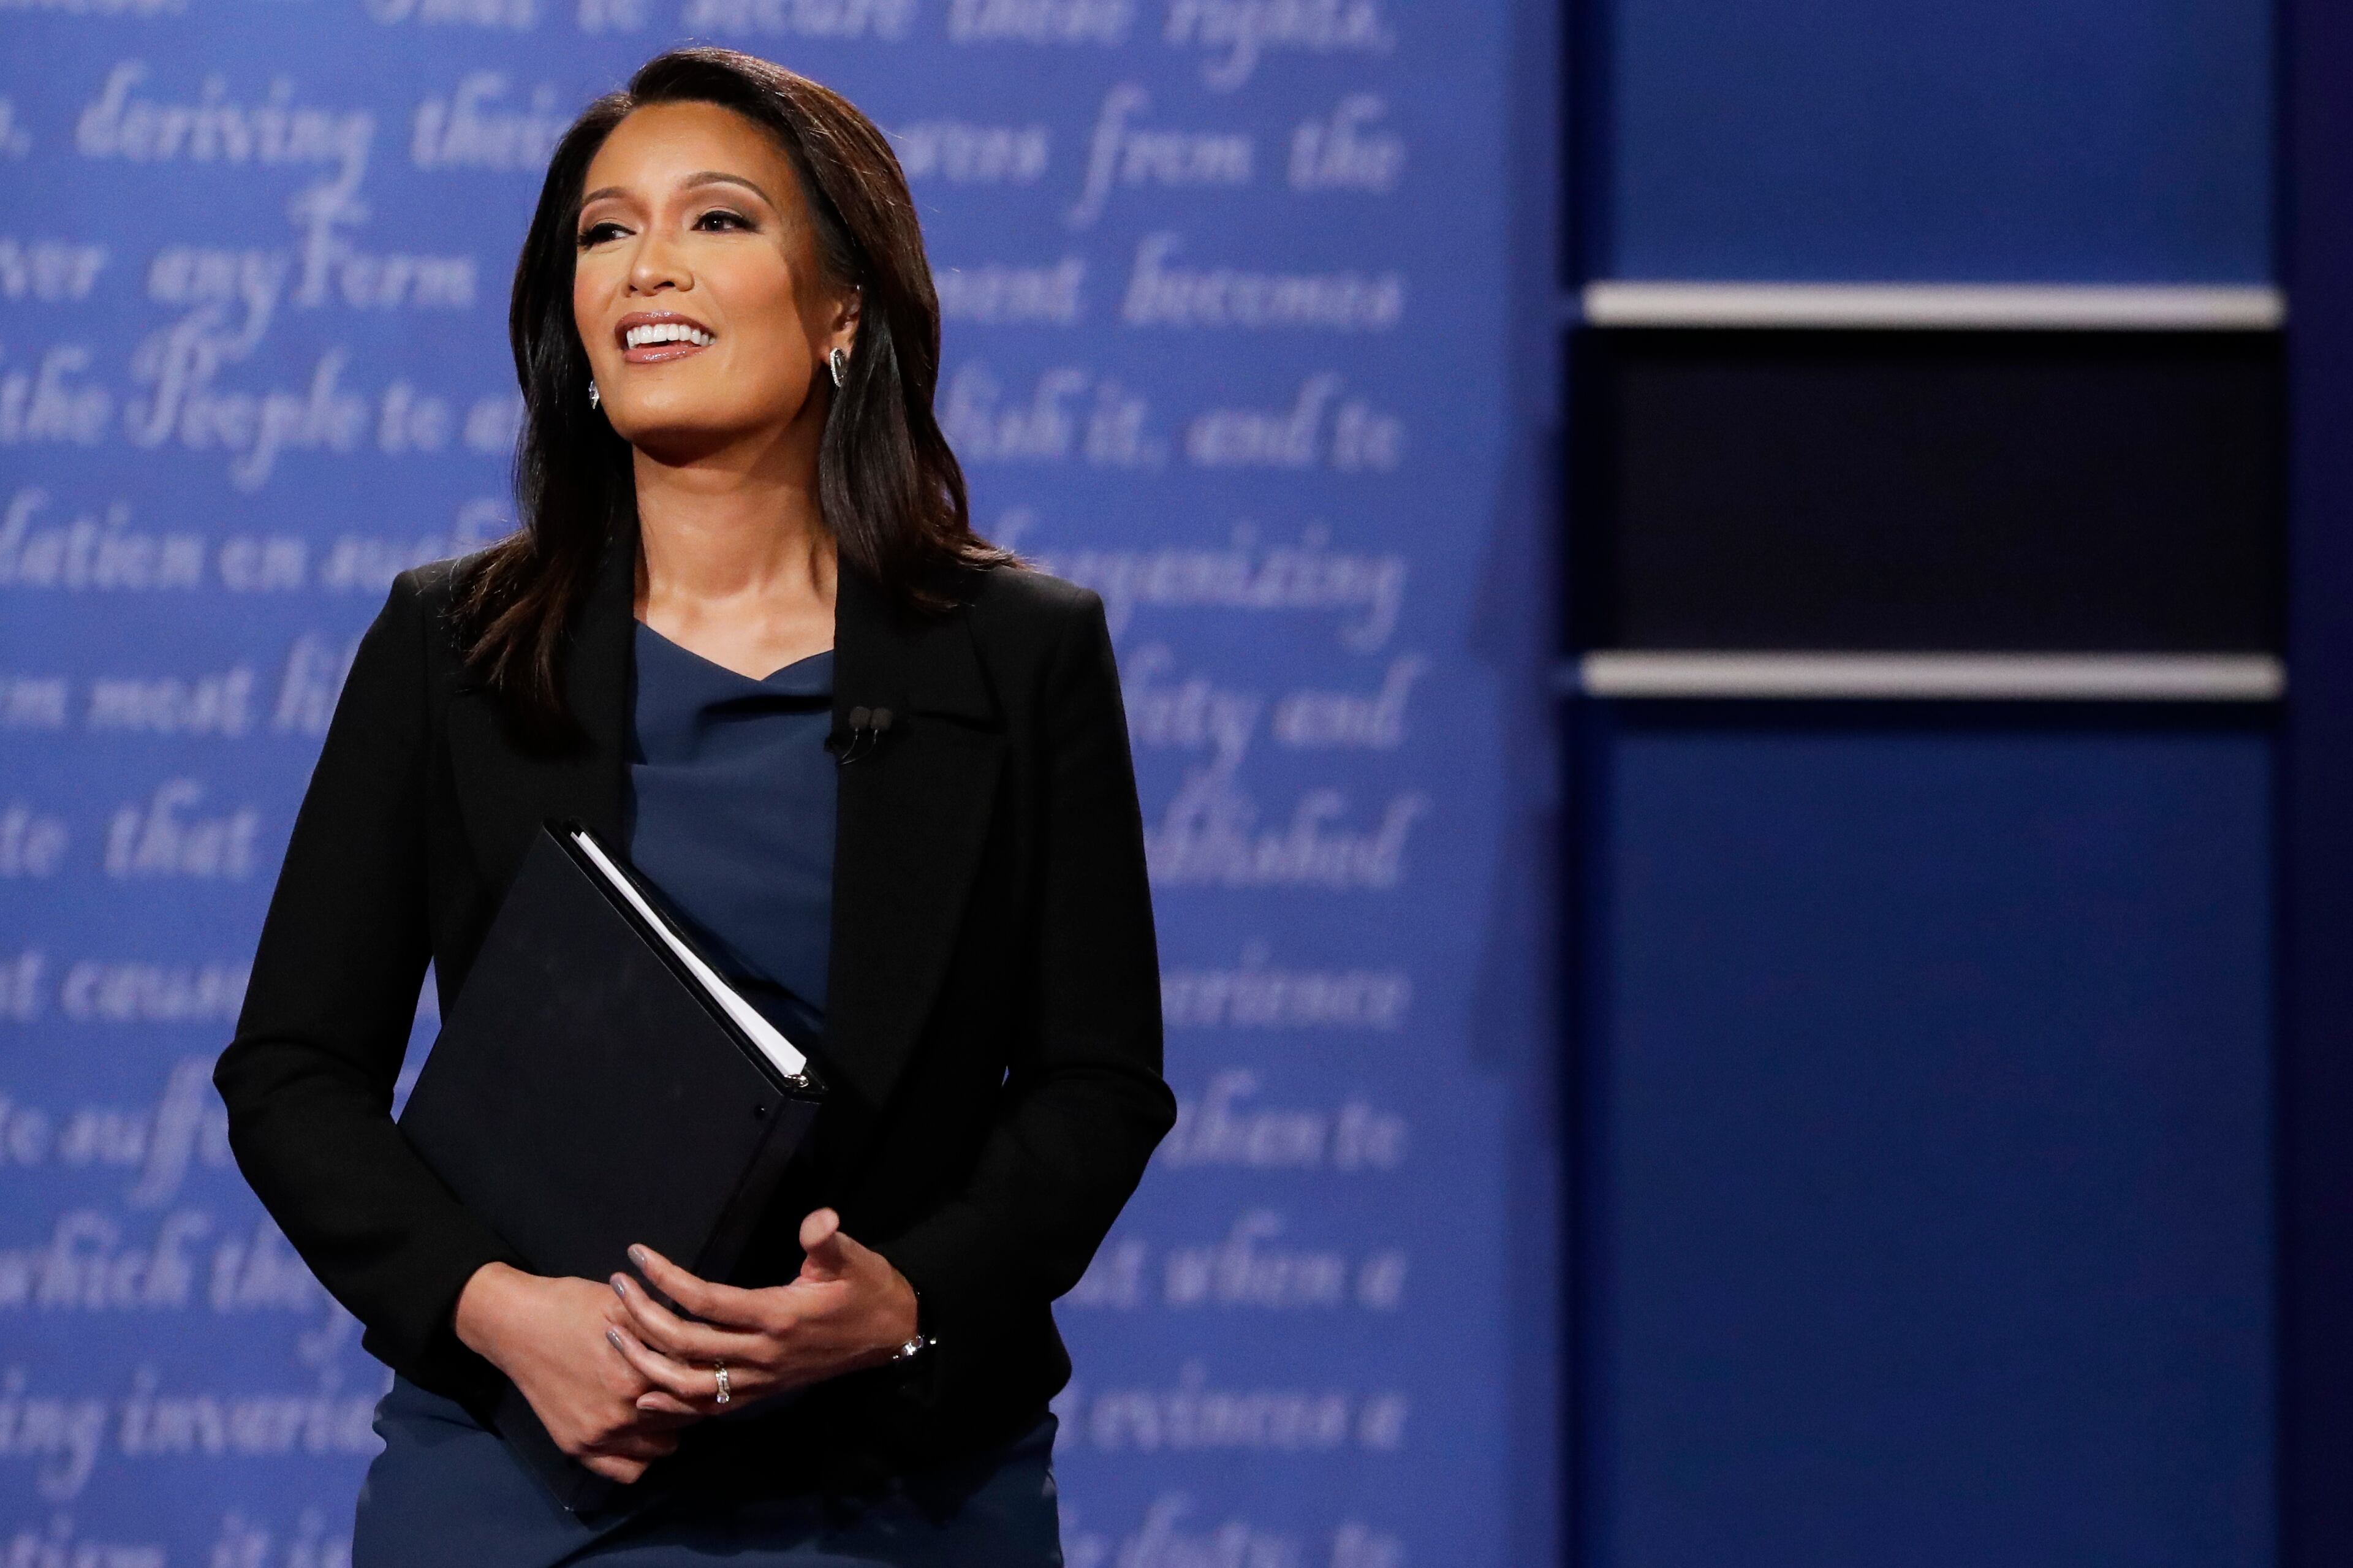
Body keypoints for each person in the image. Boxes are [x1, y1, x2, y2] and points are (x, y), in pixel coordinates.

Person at [211, 45, 1174, 1566]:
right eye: (605, 231)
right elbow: (292, 1072)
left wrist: (905, 1301)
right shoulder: (449, 645)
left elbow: (1097, 1083)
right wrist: (504, 1313)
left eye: (718, 219)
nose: (648, 263)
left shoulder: (1021, 653)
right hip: (528, 1468)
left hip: (905, 1482)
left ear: (845, 304)